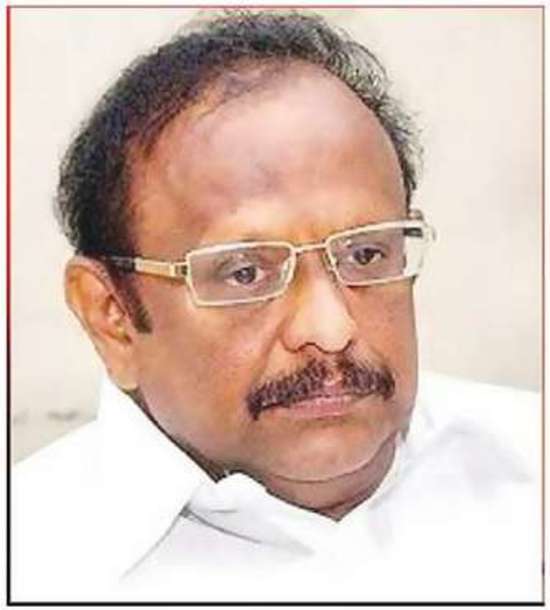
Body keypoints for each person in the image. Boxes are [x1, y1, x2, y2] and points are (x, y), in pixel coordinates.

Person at [12, 10, 541, 603]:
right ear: (111, 317)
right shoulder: (33, 563)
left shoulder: (529, 467)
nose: (331, 329)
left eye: (366, 254)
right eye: (245, 273)